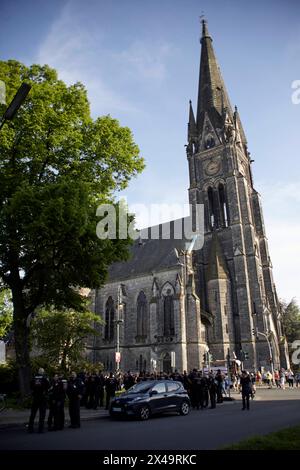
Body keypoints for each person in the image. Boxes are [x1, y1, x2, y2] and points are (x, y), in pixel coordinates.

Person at [28, 368, 50, 433]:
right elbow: (48, 386)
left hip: (35, 397)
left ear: (38, 372)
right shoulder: (45, 378)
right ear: (43, 372)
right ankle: (40, 429)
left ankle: (30, 428)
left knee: (33, 414)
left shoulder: (34, 378)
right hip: (42, 398)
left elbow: (31, 386)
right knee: (42, 414)